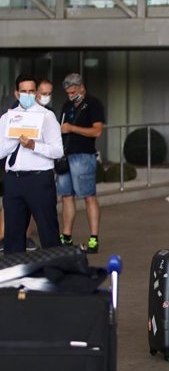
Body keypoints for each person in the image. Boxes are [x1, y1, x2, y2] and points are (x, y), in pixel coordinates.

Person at [0, 74, 63, 254]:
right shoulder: (6, 118)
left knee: (48, 231)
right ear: (16, 93)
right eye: (23, 91)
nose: (27, 95)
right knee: (13, 235)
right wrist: (15, 139)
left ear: (36, 93)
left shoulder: (46, 116)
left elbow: (58, 151)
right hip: (13, 180)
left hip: (39, 180)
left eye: (31, 91)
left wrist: (33, 145)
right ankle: (15, 277)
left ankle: (55, 275)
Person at [57, 73, 104, 253]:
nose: (70, 94)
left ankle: (94, 237)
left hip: (83, 156)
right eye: (68, 91)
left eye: (73, 90)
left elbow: (97, 131)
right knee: (66, 196)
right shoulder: (66, 105)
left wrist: (72, 128)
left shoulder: (93, 104)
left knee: (88, 195)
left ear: (81, 87)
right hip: (65, 155)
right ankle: (66, 235)